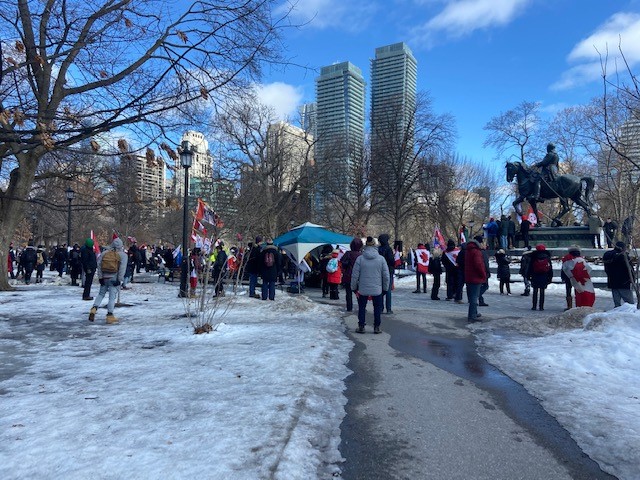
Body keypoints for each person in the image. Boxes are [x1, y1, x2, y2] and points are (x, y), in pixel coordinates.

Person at [351, 236, 390, 334]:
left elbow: (355, 275)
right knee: (377, 307)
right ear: (375, 245)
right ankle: (377, 327)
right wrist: (385, 288)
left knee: (361, 307)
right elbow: (386, 276)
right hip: (377, 288)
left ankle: (361, 326)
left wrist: (354, 287)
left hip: (363, 288)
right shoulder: (381, 259)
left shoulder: (360, 259)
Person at [89, 237, 127, 324]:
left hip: (104, 277)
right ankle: (110, 316)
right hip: (114, 278)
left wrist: (100, 277)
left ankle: (94, 308)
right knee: (112, 297)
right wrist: (119, 279)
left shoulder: (104, 253)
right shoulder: (123, 255)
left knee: (101, 294)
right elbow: (122, 269)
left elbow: (99, 265)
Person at [603, 241, 636, 307]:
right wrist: (632, 279)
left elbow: (606, 269)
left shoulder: (607, 255)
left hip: (612, 282)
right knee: (630, 305)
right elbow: (630, 269)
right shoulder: (624, 256)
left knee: (617, 304)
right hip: (624, 283)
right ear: (623, 248)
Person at [464, 237, 487, 323]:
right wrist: (483, 275)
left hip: (469, 276)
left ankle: (474, 312)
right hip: (475, 277)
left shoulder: (468, 250)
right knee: (474, 297)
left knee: (471, 296)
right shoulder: (476, 252)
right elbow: (479, 265)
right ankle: (472, 315)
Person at [527, 244, 553, 311]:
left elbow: (530, 267)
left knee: (535, 291)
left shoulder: (534, 256)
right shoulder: (547, 257)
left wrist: (528, 275)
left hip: (535, 275)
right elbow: (550, 268)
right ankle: (541, 306)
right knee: (542, 291)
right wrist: (550, 277)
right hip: (544, 275)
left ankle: (534, 306)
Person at [340, 237, 363, 312]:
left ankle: (349, 307)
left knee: (348, 293)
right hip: (359, 277)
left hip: (348, 275)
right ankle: (361, 306)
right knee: (359, 293)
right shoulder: (361, 255)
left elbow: (342, 261)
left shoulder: (348, 253)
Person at [377, 233, 395, 314]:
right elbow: (391, 261)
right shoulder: (388, 249)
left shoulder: (378, 249)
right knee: (388, 290)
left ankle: (380, 308)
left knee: (380, 290)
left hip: (380, 271)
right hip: (388, 270)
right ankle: (388, 308)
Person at [473, 235, 490, 306]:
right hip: (482, 271)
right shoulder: (482, 251)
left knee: (479, 286)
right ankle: (476, 297)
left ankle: (480, 299)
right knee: (485, 286)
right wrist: (487, 272)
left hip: (475, 271)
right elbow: (485, 263)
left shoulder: (473, 250)